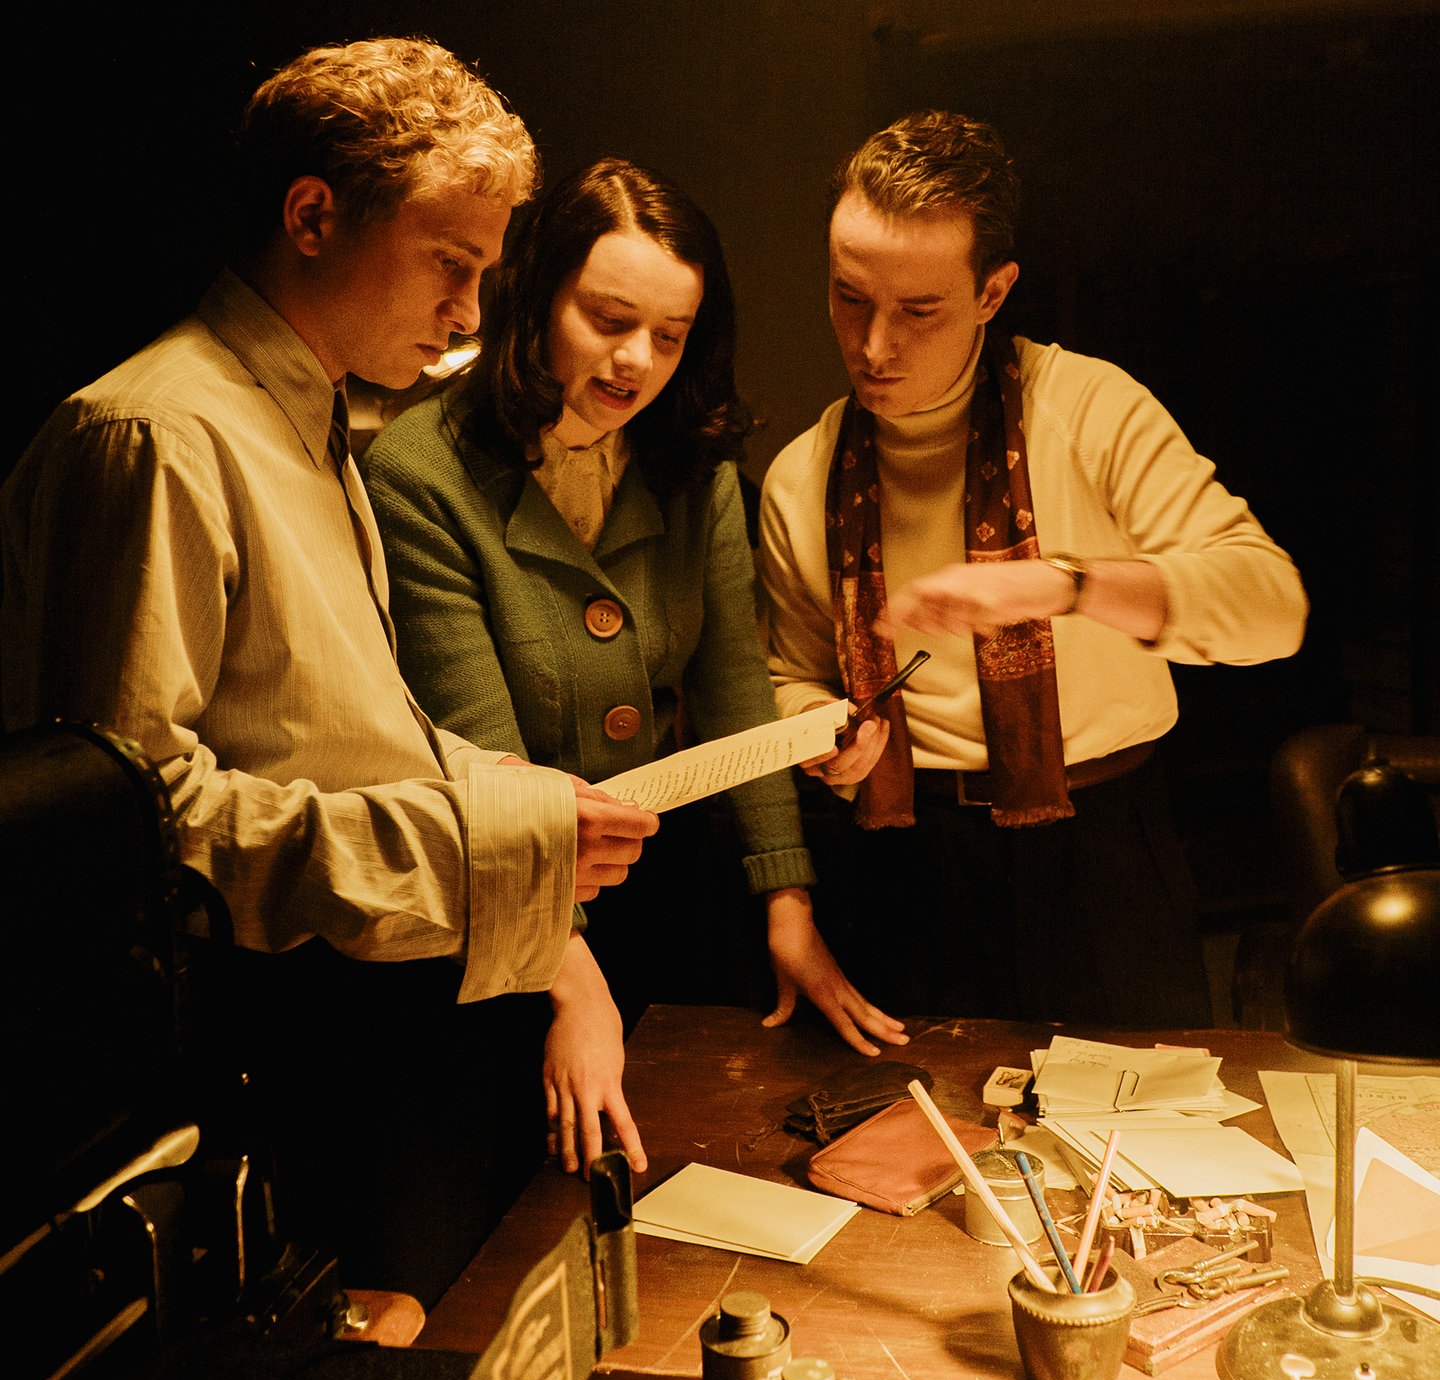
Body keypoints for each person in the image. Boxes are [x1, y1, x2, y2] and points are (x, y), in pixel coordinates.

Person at [1, 40, 658, 1307]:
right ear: (312, 217)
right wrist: (481, 845)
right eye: (451, 263)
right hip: (274, 1066)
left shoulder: (317, 421)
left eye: (484, 273)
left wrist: (525, 802)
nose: (471, 314)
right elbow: (138, 843)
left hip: (372, 1035)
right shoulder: (157, 435)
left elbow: (351, 732)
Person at [362, 157, 906, 1173]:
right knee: (546, 1180)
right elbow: (488, 765)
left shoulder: (688, 461)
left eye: (670, 334)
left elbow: (735, 685)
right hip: (512, 904)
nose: (636, 362)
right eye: (609, 320)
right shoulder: (420, 475)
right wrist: (572, 982)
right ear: (536, 293)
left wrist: (787, 900)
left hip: (666, 876)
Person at [760, 111, 1308, 1029]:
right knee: (905, 1115)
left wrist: (1068, 584)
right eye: (850, 297)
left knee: (1142, 1114)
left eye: (919, 311)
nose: (875, 345)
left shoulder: (1091, 411)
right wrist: (815, 726)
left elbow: (1273, 607)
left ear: (993, 291)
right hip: (906, 858)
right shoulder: (800, 474)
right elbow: (788, 671)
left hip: (1102, 846)